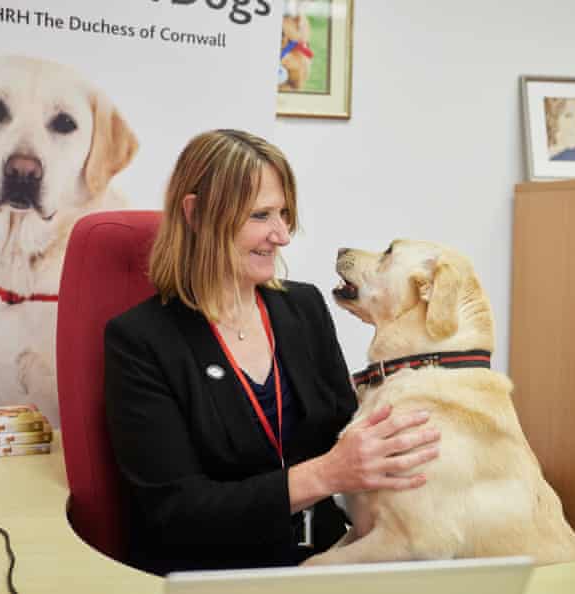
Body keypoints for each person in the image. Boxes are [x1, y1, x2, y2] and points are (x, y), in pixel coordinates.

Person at [103, 129, 441, 575]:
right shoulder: (141, 340)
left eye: (284, 214)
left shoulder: (303, 308)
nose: (281, 235)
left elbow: (346, 433)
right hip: (218, 575)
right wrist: (326, 474)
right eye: (260, 215)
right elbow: (176, 512)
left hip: (327, 560)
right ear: (197, 214)